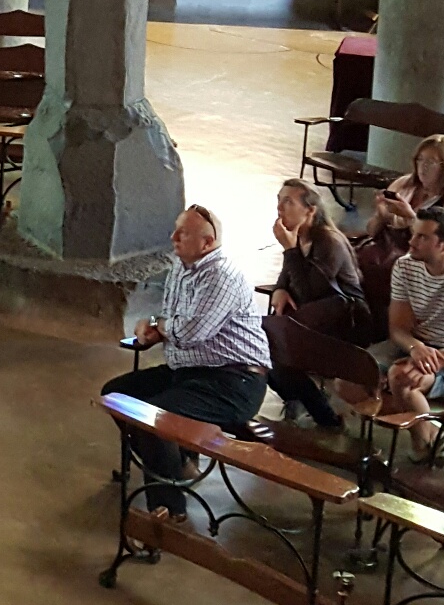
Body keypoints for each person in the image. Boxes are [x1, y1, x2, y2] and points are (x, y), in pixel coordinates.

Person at [99, 206, 271, 517]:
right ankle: (177, 465)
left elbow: (191, 331)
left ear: (207, 243)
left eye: (184, 233)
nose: (173, 237)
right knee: (117, 395)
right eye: (176, 229)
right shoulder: (182, 266)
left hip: (234, 382)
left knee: (154, 420)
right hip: (190, 373)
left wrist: (161, 326)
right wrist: (152, 327)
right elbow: (171, 317)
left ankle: (168, 511)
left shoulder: (221, 276)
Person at [360, 207, 444, 441]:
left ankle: (424, 446)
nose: (411, 241)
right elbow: (398, 328)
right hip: (417, 345)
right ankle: (437, 435)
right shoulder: (405, 265)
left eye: (422, 237)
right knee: (349, 378)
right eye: (413, 234)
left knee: (401, 379)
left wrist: (434, 361)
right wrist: (415, 348)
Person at [264, 179, 362, 428]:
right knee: (265, 345)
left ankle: (322, 414)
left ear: (310, 210)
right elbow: (287, 276)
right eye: (279, 200)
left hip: (346, 320)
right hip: (314, 316)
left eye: (288, 202)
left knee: (277, 344)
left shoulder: (329, 242)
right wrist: (279, 289)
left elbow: (310, 292)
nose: (279, 208)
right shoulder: (298, 237)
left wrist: (289, 250)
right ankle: (299, 398)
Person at [372, 133, 444, 256]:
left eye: (431, 162)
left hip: (418, 263)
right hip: (381, 254)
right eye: (420, 159)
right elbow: (371, 232)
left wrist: (411, 218)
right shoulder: (404, 184)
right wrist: (381, 216)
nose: (423, 166)